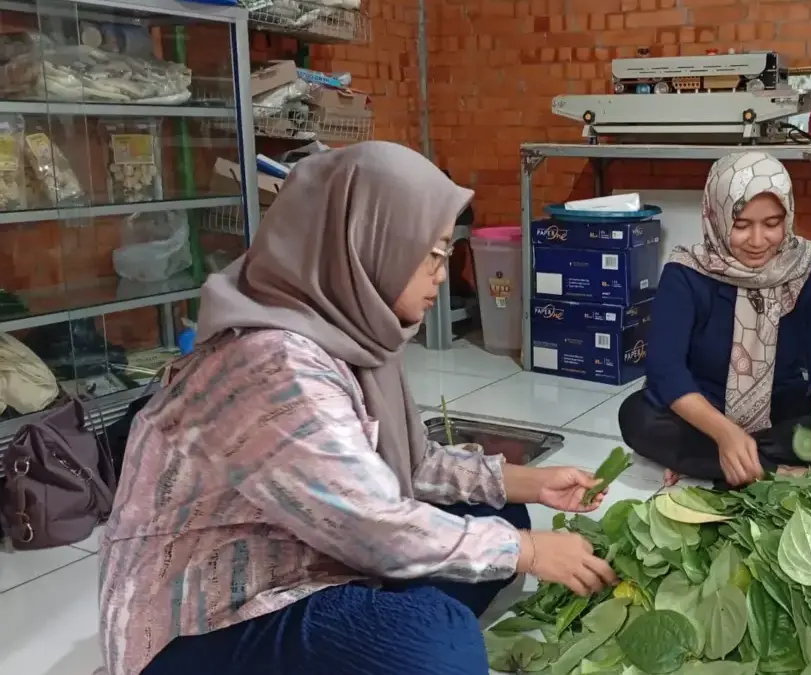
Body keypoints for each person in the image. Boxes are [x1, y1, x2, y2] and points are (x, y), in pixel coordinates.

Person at [98, 142, 617, 675]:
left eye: (447, 251)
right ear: (365, 243)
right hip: (211, 620)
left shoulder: (354, 334)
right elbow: (371, 523)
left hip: (317, 549)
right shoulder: (273, 363)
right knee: (438, 642)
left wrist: (530, 482)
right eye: (432, 252)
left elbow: (410, 468)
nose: (443, 272)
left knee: (498, 513)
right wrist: (527, 552)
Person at [618, 151, 811, 488]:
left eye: (772, 223)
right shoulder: (686, 274)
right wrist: (724, 432)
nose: (759, 241)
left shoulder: (807, 271)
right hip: (706, 409)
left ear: (787, 217)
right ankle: (773, 467)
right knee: (636, 417)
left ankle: (726, 463)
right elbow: (665, 370)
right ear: (717, 218)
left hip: (780, 403)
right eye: (741, 225)